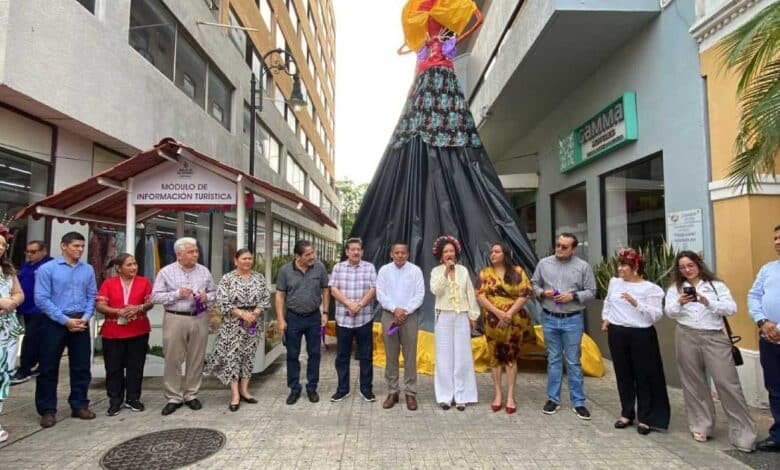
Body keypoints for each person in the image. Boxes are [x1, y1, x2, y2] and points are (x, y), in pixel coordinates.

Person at [665, 250, 756, 452]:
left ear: (699, 264)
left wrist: (707, 301)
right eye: (682, 267)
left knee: (727, 383)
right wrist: (679, 303)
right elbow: (669, 312)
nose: (687, 270)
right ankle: (701, 424)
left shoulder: (716, 286)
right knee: (693, 382)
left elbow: (731, 309)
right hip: (686, 334)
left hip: (714, 336)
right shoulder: (676, 288)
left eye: (690, 265)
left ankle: (743, 432)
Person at [601, 248, 670, 434]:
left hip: (641, 334)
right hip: (617, 332)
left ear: (636, 267)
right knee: (623, 373)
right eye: (619, 264)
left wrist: (636, 303)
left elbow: (656, 315)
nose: (620, 268)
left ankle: (646, 417)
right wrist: (606, 318)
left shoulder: (650, 289)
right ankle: (626, 412)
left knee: (644, 375)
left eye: (624, 265)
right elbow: (608, 302)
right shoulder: (614, 283)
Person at [34, 231, 97, 428]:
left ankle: (79, 404)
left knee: (81, 366)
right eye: (75, 246)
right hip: (55, 322)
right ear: (64, 246)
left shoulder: (87, 269)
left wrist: (85, 318)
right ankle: (47, 409)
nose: (79, 250)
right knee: (49, 367)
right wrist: (64, 320)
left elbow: (92, 295)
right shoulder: (47, 269)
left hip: (80, 321)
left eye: (82, 246)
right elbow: (41, 299)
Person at [531, 233, 596, 420]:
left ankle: (578, 402)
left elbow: (592, 291)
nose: (559, 249)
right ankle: (553, 399)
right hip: (549, 317)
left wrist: (573, 296)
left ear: (573, 249)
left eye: (564, 246)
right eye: (558, 245)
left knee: (574, 361)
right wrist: (543, 293)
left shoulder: (582, 266)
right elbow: (533, 284)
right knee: (553, 359)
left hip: (572, 318)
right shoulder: (544, 263)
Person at [152, 237, 217, 416]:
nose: (195, 254)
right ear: (179, 254)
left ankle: (191, 394)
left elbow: (214, 292)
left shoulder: (204, 271)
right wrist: (177, 294)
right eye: (191, 252)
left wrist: (207, 297)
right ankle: (173, 396)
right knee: (173, 358)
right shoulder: (166, 272)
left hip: (199, 317)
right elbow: (155, 297)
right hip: (175, 318)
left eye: (196, 251)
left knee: (196, 357)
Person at [204, 249, 271, 411]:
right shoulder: (227, 279)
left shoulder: (259, 278)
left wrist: (254, 313)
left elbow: (265, 298)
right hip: (232, 324)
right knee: (232, 357)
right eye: (244, 258)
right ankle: (234, 394)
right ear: (236, 260)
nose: (248, 261)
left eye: (250, 259)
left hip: (253, 324)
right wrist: (241, 314)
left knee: (248, 356)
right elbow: (222, 301)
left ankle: (245, 390)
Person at [476, 242, 535, 414]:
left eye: (496, 251)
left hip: (513, 321)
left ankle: (510, 396)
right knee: (494, 358)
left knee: (510, 358)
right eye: (491, 252)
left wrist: (508, 314)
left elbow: (525, 294)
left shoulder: (518, 272)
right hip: (493, 321)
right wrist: (498, 313)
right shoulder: (485, 273)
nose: (492, 254)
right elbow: (480, 295)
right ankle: (497, 394)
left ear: (505, 254)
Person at [95, 253, 153, 416]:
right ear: (118, 268)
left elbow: (150, 302)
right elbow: (100, 305)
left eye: (135, 264)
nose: (134, 267)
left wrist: (139, 308)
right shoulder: (109, 283)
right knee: (114, 367)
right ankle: (115, 399)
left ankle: (133, 398)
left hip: (138, 329)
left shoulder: (144, 282)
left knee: (136, 366)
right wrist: (117, 311)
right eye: (129, 265)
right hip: (114, 331)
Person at [276, 240, 330, 405]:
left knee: (314, 353)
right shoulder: (285, 271)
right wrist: (280, 319)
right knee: (292, 355)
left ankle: (312, 387)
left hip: (314, 317)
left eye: (312, 253)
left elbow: (325, 290)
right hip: (293, 317)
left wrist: (325, 312)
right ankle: (294, 388)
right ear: (297, 256)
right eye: (307, 254)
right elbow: (280, 295)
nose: (312, 257)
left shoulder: (319, 267)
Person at [430, 235, 479, 410]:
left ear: (456, 253)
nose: (449, 254)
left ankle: (462, 396)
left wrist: (473, 315)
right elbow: (436, 290)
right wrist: (446, 272)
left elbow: (470, 294)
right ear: (441, 255)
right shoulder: (436, 272)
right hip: (443, 316)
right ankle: (445, 396)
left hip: (461, 316)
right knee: (444, 356)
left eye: (451, 251)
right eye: (445, 252)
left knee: (462, 356)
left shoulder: (463, 271)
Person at [376, 242, 425, 411]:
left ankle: (410, 393)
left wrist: (405, 310)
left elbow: (420, 294)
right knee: (391, 355)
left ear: (408, 254)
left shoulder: (415, 271)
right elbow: (380, 293)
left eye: (403, 253)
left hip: (409, 317)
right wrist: (394, 309)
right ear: (391, 254)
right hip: (390, 316)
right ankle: (393, 391)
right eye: (396, 252)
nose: (399, 255)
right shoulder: (384, 270)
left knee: (410, 356)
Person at [329, 238, 377, 403]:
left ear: (362, 251)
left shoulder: (369, 267)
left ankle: (366, 389)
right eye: (352, 249)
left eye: (358, 249)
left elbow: (374, 288)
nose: (356, 252)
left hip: (364, 318)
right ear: (347, 251)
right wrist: (349, 303)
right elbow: (333, 289)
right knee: (342, 356)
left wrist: (360, 305)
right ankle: (342, 389)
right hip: (343, 319)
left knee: (366, 356)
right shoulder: (338, 268)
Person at [747, 224, 780, 452]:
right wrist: (762, 321)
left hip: (775, 332)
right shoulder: (768, 269)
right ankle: (778, 435)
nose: (777, 242)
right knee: (775, 389)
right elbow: (753, 295)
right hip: (768, 338)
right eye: (775, 238)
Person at [10, 240, 51, 385]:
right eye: (27, 252)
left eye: (33, 252)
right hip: (25, 308)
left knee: (30, 339)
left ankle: (24, 369)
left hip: (40, 309)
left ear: (43, 251)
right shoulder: (27, 265)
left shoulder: (48, 265)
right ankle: (37, 365)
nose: (29, 254)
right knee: (35, 338)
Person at [0, 227, 24, 442]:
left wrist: (12, 302)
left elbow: (19, 293)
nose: (0, 248)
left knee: (2, 373)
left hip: (6, 329)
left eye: (3, 245)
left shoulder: (7, 270)